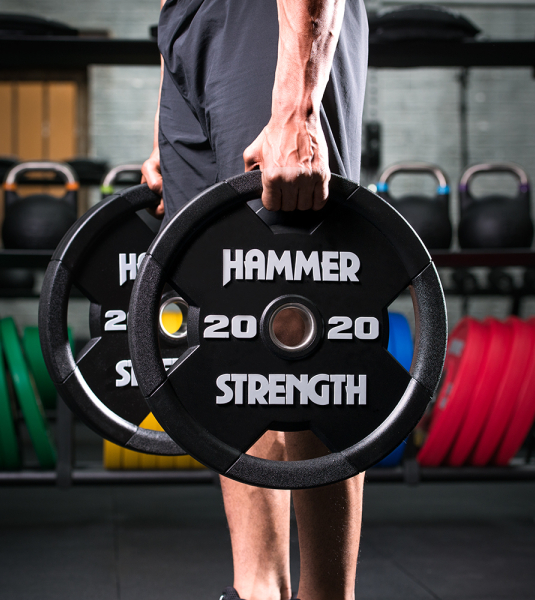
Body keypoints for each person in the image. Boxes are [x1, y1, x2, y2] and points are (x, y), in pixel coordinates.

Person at [141, 1, 369, 599]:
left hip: (270, 18)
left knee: (299, 305)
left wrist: (297, 106)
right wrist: (170, 112)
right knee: (225, 321)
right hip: (190, 32)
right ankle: (257, 591)